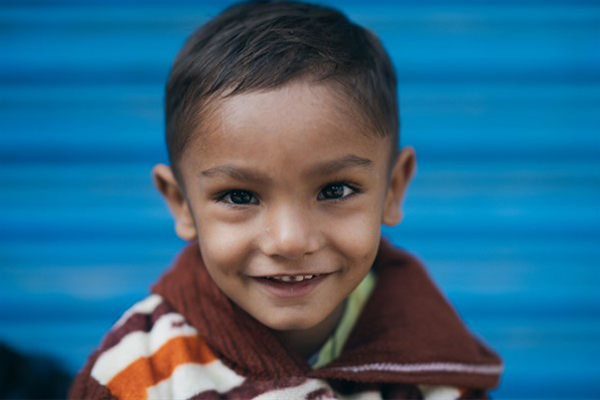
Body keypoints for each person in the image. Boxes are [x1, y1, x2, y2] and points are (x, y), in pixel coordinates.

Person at [69, 1, 503, 398]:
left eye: (335, 190)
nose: (290, 241)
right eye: (239, 196)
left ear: (392, 189)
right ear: (181, 203)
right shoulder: (137, 375)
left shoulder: (436, 368)